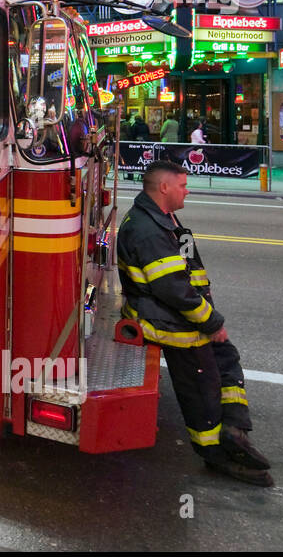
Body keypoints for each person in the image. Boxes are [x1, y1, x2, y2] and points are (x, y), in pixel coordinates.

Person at [116, 160, 273, 486]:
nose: (188, 190)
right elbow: (173, 290)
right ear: (164, 188)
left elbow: (186, 272)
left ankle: (234, 430)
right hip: (162, 320)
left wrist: (211, 315)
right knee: (202, 382)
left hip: (173, 311)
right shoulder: (147, 231)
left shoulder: (161, 218)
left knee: (225, 356)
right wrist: (211, 323)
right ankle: (214, 453)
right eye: (183, 185)